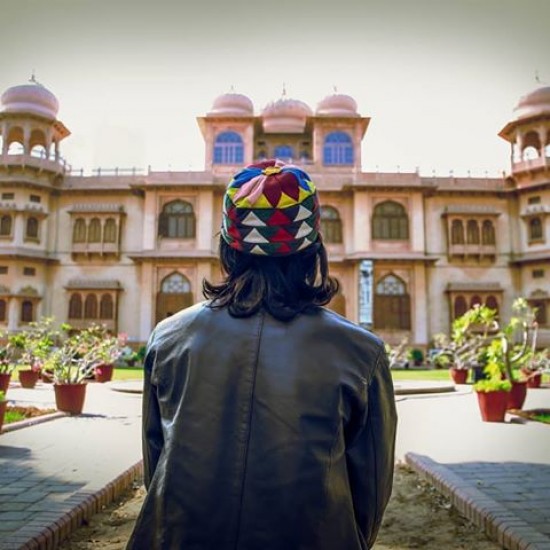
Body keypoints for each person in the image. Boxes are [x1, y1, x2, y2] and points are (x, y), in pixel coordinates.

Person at [127, 159, 397, 550]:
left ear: (227, 248)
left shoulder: (169, 339)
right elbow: (369, 488)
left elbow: (159, 468)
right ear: (313, 251)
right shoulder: (359, 352)